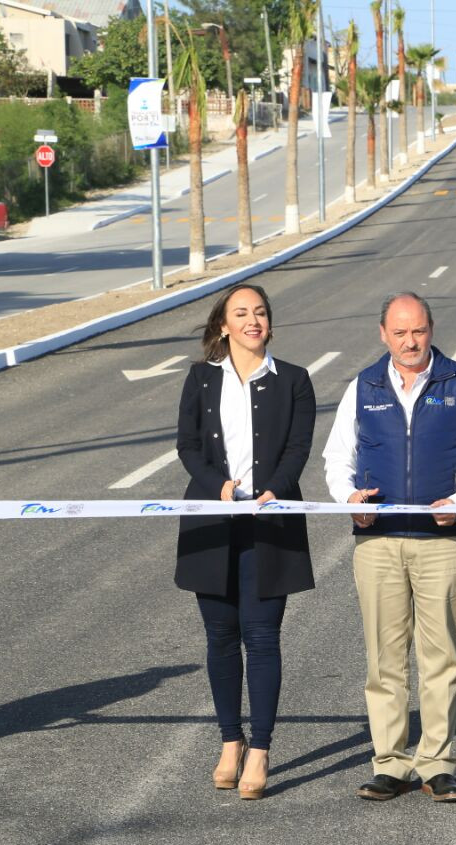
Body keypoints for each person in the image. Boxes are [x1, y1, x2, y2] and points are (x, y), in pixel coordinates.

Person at [322, 292, 456, 803]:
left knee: (440, 656)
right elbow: (338, 456)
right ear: (383, 333)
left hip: (441, 540)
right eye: (399, 332)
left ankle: (438, 763)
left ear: (431, 329)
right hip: (377, 541)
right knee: (384, 659)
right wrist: (349, 498)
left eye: (418, 331)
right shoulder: (365, 385)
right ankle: (390, 763)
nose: (410, 341)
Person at [175, 283, 316, 800]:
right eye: (242, 313)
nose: (253, 320)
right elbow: (187, 445)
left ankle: (260, 748)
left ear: (269, 324)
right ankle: (229, 742)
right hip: (212, 520)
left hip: (269, 521)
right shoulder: (200, 378)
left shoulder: (294, 380)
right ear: (223, 327)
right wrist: (221, 488)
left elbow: (299, 446)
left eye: (260, 312)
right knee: (219, 637)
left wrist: (273, 491)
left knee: (261, 637)